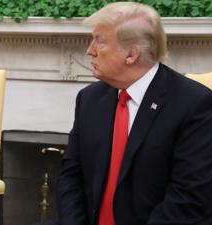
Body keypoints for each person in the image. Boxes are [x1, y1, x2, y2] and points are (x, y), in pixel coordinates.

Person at [57, 2, 212, 225]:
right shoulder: (89, 99)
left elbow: (189, 200)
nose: (89, 50)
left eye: (99, 40)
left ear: (131, 54)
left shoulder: (195, 104)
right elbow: (71, 177)